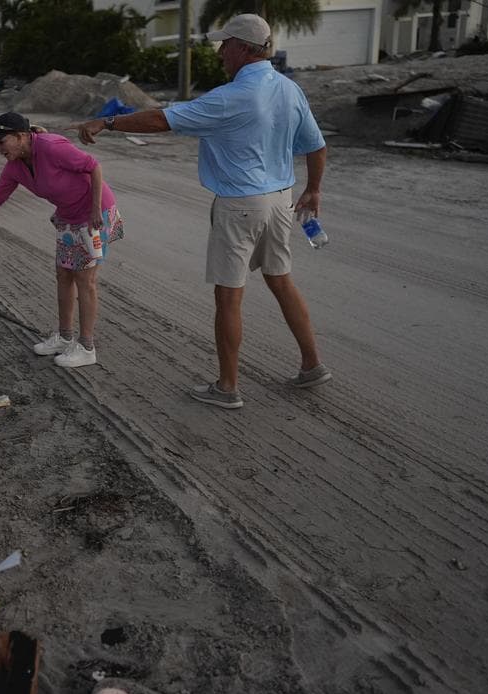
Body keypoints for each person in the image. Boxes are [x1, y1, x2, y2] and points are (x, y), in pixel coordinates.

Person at [74, 13, 330, 409]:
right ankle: (312, 364)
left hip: (241, 205)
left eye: (225, 44)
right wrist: (312, 189)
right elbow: (316, 144)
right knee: (281, 281)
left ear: (242, 48)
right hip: (280, 199)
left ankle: (227, 387)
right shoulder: (288, 88)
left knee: (228, 297)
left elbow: (161, 120)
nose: (220, 51)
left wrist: (107, 122)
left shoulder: (229, 97)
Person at [0, 112, 124, 368]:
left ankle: (87, 347)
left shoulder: (51, 147)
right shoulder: (15, 167)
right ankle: (65, 337)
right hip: (68, 216)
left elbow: (94, 166)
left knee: (84, 278)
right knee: (63, 274)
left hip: (93, 215)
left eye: (2, 142)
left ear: (21, 136)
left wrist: (95, 210)